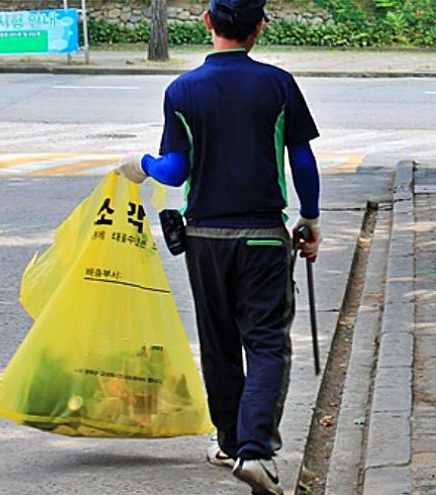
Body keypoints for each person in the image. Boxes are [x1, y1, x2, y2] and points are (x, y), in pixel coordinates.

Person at [117, 0, 321, 493]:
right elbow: (302, 161)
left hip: (205, 238)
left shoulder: (183, 90)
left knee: (220, 344)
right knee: (267, 341)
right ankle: (255, 450)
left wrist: (140, 162)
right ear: (260, 28)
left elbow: (175, 170)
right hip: (262, 236)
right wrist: (309, 219)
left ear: (207, 23)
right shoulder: (278, 84)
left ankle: (229, 441)